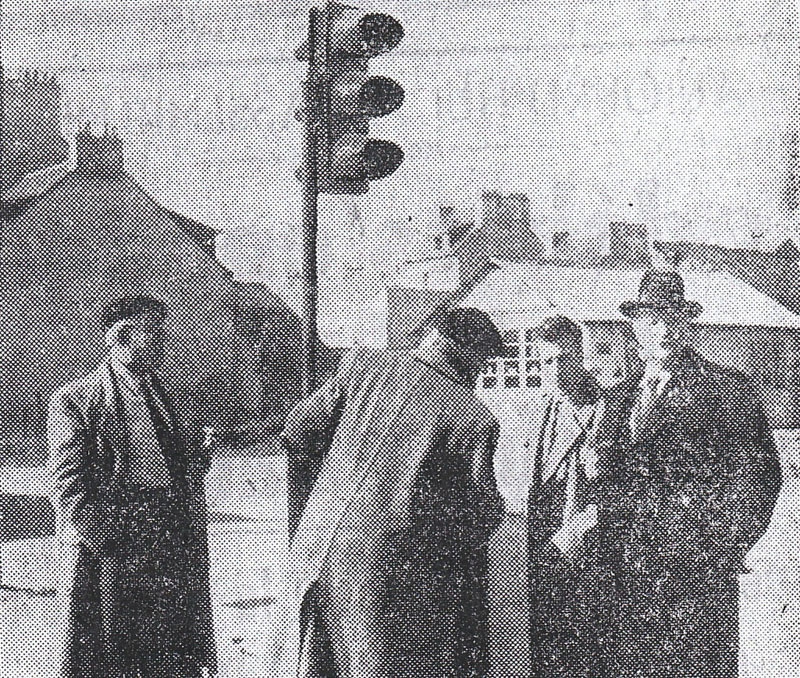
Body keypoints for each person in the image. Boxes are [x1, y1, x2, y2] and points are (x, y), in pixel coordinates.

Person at [277, 307, 506, 678]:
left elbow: (299, 431)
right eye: (483, 363)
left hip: (315, 554)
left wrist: (331, 490)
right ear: (469, 355)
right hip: (392, 578)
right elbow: (479, 513)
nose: (481, 374)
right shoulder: (473, 417)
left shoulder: (362, 365)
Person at [606, 269, 782, 677]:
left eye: (673, 318)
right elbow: (608, 481)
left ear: (688, 323)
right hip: (629, 577)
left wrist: (724, 548)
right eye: (652, 319)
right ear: (635, 327)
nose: (663, 330)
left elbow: (758, 477)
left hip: (697, 577)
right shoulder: (618, 397)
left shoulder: (727, 390)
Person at [47, 295, 216, 678]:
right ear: (121, 337)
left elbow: (175, 470)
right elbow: (69, 486)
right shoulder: (76, 400)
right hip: (114, 548)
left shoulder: (165, 397)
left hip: (167, 541)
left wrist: (197, 457)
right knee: (112, 657)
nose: (163, 340)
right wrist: (110, 542)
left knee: (169, 654)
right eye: (153, 332)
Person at [488, 316, 616, 678]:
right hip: (542, 550)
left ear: (582, 357)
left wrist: (572, 535)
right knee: (546, 654)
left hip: (589, 553)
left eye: (563, 360)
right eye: (546, 362)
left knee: (587, 656)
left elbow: (616, 489)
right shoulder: (538, 408)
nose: (554, 370)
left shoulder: (607, 408)